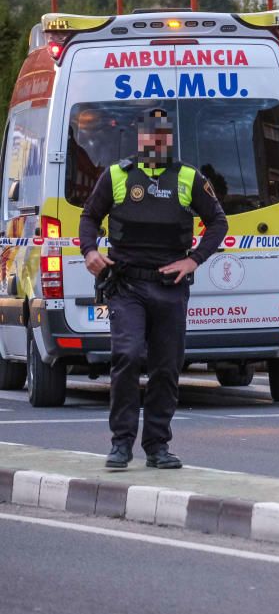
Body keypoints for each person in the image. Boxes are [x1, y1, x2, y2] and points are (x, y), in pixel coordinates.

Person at [81, 108, 228, 470]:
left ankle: (158, 446)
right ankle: (120, 444)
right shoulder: (118, 175)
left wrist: (194, 260)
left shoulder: (188, 178)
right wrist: (89, 251)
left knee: (166, 368)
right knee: (128, 356)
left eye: (162, 137)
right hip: (127, 285)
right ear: (140, 138)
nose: (156, 143)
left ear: (169, 140)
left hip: (169, 288)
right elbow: (89, 217)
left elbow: (217, 222)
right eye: (150, 137)